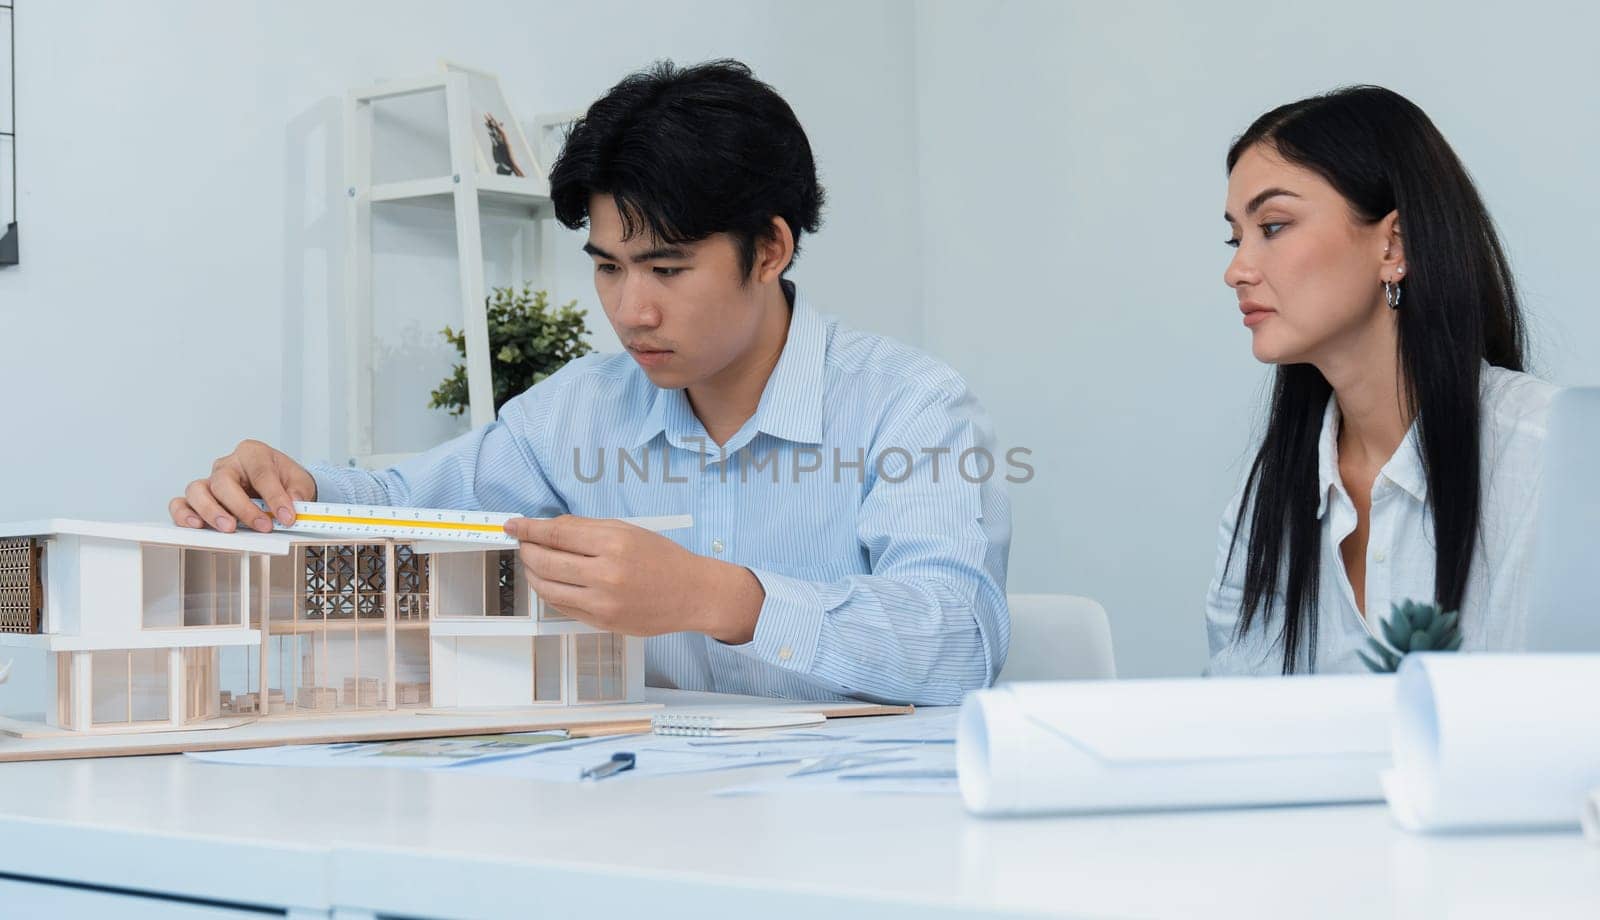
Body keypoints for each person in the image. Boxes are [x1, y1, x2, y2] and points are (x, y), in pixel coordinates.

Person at [169, 60, 1011, 705]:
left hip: (867, 833)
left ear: (771, 249)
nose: (631, 309)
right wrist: (295, 491)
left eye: (667, 269)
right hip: (640, 813)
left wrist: (715, 596)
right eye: (608, 268)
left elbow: (958, 643)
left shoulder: (911, 407)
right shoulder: (580, 409)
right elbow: (407, 504)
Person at [1206, 85, 1559, 675]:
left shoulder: (1548, 457)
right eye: (1234, 237)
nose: (1236, 269)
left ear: (1393, 244)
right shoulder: (1268, 491)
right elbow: (1237, 727)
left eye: (1272, 226)